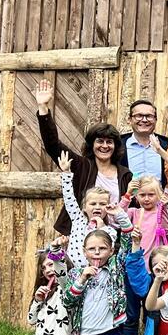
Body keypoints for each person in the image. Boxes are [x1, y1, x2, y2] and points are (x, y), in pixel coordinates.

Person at [34, 79, 130, 234]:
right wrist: (43, 107)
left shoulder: (125, 174)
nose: (104, 146)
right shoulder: (81, 165)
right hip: (80, 236)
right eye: (99, 141)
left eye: (109, 142)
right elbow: (52, 145)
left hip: (113, 238)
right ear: (91, 145)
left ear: (116, 146)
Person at [61, 219, 135, 335]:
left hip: (108, 333)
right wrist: (82, 279)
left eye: (102, 249)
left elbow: (127, 241)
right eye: (92, 249)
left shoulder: (116, 267)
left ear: (110, 251)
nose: (97, 253)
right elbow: (67, 301)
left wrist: (120, 216)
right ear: (84, 252)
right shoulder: (76, 273)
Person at [13, 240, 73, 335]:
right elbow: (31, 320)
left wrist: (56, 253)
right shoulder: (44, 292)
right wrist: (37, 301)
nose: (47, 270)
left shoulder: (67, 290)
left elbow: (62, 274)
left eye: (51, 264)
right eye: (44, 267)